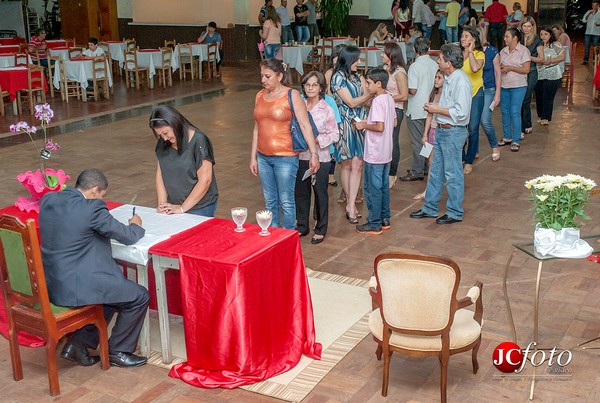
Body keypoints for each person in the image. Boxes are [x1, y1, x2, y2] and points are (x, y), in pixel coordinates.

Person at [39, 168, 149, 368]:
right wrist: (135, 225)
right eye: (102, 195)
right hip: (75, 287)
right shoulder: (92, 208)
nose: (101, 199)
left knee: (109, 293)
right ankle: (118, 351)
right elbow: (127, 236)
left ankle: (77, 345)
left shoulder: (49, 201)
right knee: (139, 296)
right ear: (95, 191)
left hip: (51, 283)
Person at [250, 58, 320, 229]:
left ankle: (287, 237)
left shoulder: (292, 95)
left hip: (286, 157)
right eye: (262, 76)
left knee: (286, 200)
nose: (263, 80)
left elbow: (305, 125)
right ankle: (272, 236)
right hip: (263, 157)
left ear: (279, 76)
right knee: (270, 201)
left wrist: (314, 154)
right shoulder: (259, 95)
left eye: (267, 76)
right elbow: (256, 129)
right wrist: (253, 157)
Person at [410, 43, 472, 225]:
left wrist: (437, 109)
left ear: (449, 62)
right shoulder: (449, 78)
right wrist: (435, 110)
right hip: (442, 130)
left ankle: (454, 211)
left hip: (453, 131)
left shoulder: (461, 81)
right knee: (436, 171)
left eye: (441, 59)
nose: (438, 61)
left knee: (453, 173)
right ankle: (430, 207)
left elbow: (462, 113)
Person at [150, 105, 219, 216]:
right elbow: (161, 173)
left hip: (199, 207)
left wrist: (182, 208)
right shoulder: (163, 143)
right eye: (160, 135)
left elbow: (205, 180)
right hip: (173, 206)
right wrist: (162, 204)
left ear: (175, 124)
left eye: (166, 133)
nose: (164, 138)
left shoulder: (199, 141)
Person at [295, 71, 339, 244]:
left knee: (320, 193)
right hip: (300, 155)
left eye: (314, 85)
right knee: (301, 192)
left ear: (321, 87)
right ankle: (302, 225)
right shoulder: (300, 105)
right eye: (307, 85)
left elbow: (335, 134)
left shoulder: (326, 108)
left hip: (321, 157)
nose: (310, 88)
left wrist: (317, 140)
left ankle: (321, 228)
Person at [331, 46, 372, 223]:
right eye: (357, 60)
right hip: (345, 123)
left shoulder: (358, 77)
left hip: (360, 123)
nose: (359, 62)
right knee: (346, 163)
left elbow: (363, 101)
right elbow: (351, 102)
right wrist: (370, 93)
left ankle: (352, 202)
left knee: (358, 164)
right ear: (348, 59)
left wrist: (367, 96)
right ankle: (350, 204)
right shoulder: (337, 77)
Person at [354, 68, 396, 235]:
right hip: (386, 150)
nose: (366, 85)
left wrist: (364, 125)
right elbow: (392, 123)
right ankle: (385, 218)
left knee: (372, 188)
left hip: (375, 151)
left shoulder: (378, 101)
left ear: (378, 84)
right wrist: (369, 121)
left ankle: (374, 222)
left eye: (369, 82)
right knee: (383, 186)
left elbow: (379, 127)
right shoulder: (389, 98)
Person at [400, 38, 438, 182]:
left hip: (416, 108)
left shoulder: (415, 66)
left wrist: (404, 89)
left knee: (417, 142)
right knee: (426, 139)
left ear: (415, 50)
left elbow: (413, 90)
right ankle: (425, 166)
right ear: (428, 48)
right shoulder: (435, 64)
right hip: (430, 107)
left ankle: (417, 170)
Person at [498, 28, 531, 152]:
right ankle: (507, 136)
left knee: (515, 111)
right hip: (504, 85)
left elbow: (526, 69)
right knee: (505, 112)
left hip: (518, 85)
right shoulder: (503, 51)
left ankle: (516, 139)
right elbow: (500, 66)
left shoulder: (524, 51)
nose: (504, 39)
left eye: (507, 36)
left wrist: (510, 68)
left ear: (515, 38)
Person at [414, 70, 444, 200]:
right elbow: (429, 116)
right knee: (430, 161)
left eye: (439, 78)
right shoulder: (434, 95)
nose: (436, 80)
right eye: (435, 77)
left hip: (442, 131)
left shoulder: (447, 95)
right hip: (432, 130)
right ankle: (429, 190)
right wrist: (425, 134)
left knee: (436, 162)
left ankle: (433, 189)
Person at [382, 42, 408, 188]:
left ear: (391, 55)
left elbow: (404, 95)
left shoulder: (399, 72)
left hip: (395, 110)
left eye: (383, 53)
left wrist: (387, 97)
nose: (381, 55)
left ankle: (393, 173)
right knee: (384, 140)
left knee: (393, 141)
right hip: (385, 108)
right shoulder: (386, 69)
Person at [460, 27, 485, 176]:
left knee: (473, 128)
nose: (463, 38)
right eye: (462, 36)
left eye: (466, 36)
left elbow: (475, 68)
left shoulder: (479, 54)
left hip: (476, 93)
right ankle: (461, 157)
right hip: (461, 95)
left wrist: (470, 52)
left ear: (473, 40)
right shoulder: (458, 53)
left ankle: (469, 161)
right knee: (461, 127)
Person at [534, 26, 565, 126]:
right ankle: (540, 115)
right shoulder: (538, 45)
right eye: (541, 34)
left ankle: (546, 117)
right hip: (539, 74)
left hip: (552, 74)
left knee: (548, 96)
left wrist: (551, 61)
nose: (543, 36)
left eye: (546, 34)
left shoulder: (555, 45)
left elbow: (562, 56)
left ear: (550, 35)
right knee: (539, 96)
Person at [519, 16, 544, 137]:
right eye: (524, 26)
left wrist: (528, 56)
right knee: (520, 99)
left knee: (526, 99)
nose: (526, 28)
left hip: (532, 71)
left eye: (529, 26)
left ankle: (526, 124)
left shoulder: (537, 40)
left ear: (533, 27)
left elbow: (541, 58)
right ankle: (523, 124)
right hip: (519, 71)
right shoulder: (518, 37)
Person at [480, 40, 502, 162]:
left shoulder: (492, 51)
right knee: (472, 123)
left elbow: (498, 73)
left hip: (489, 88)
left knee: (485, 120)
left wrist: (497, 93)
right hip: (474, 90)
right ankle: (473, 150)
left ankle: (494, 146)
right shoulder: (470, 52)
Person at [582, 0, 600, 65]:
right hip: (588, 32)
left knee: (595, 47)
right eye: (593, 5)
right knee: (587, 46)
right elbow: (584, 20)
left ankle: (595, 60)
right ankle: (586, 60)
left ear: (598, 5)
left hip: (596, 32)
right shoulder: (589, 12)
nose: (594, 7)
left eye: (595, 5)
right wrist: (589, 14)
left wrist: (599, 24)